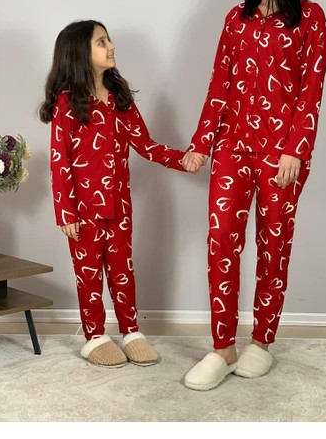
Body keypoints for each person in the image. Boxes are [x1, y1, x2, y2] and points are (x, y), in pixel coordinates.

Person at [182, 0, 326, 391]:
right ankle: (222, 347)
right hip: (233, 146)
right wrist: (202, 143)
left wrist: (296, 149)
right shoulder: (235, 19)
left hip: (282, 155)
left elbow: (310, 92)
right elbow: (218, 85)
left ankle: (262, 342)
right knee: (221, 242)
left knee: (273, 245)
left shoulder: (311, 18)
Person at [39, 20, 203, 368]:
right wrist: (65, 213)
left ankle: (131, 332)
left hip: (119, 205)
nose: (111, 46)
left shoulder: (119, 98)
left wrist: (183, 159)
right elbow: (59, 161)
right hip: (83, 210)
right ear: (79, 52)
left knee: (122, 272)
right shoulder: (67, 103)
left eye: (108, 39)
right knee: (89, 275)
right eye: (101, 42)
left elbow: (145, 144)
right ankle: (95, 337)